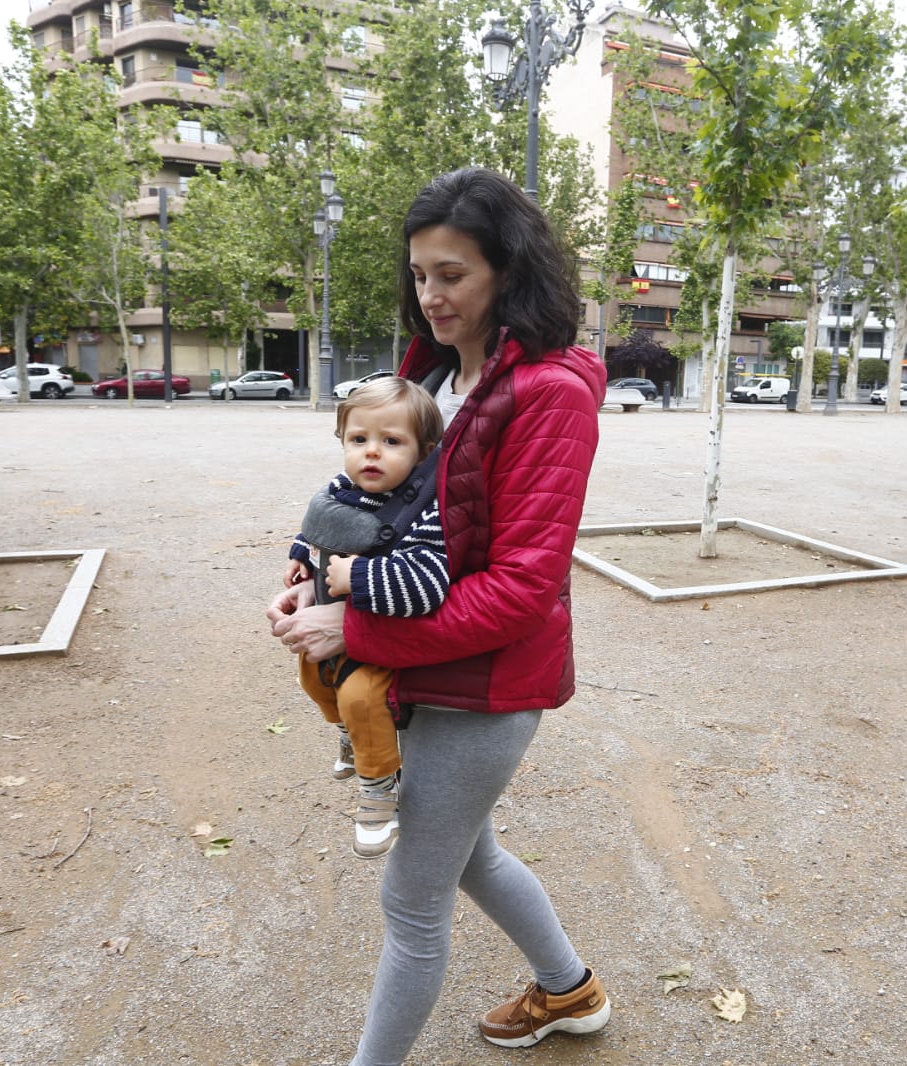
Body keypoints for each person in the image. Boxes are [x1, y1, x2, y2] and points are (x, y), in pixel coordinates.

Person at [267, 167, 610, 1065]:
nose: (430, 296)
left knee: (411, 907)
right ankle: (570, 991)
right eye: (420, 274)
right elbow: (370, 509)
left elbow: (522, 589)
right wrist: (310, 580)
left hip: (486, 685)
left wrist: (357, 629)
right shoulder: (427, 375)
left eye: (452, 274)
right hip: (422, 669)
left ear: (508, 270)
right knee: (471, 856)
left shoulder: (549, 395)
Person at [284, 377, 446, 859]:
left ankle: (379, 789)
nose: (371, 454)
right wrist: (299, 552)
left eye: (391, 442)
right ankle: (350, 738)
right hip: (331, 626)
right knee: (312, 677)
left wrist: (357, 577)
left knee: (360, 697)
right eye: (359, 440)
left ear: (422, 452)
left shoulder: (425, 511)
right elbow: (318, 523)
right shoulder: (343, 487)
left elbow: (427, 585)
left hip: (382, 631)